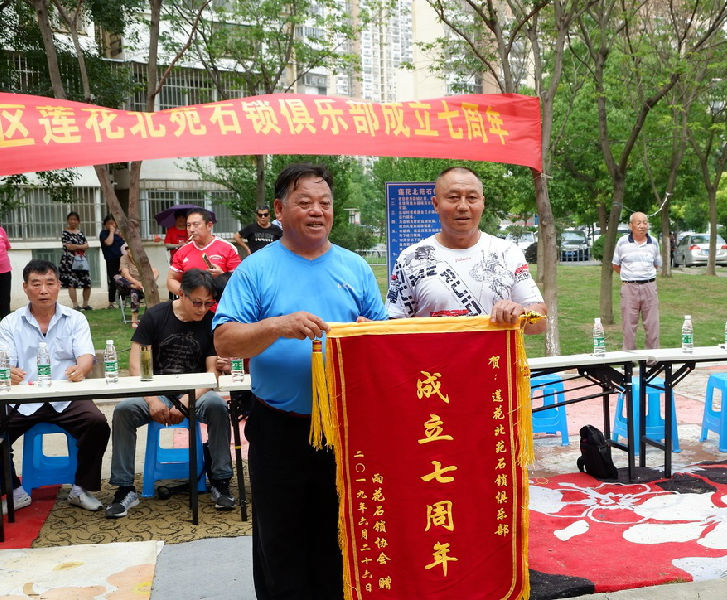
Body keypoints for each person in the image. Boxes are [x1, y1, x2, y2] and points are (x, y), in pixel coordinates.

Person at [213, 163, 387, 598]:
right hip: (278, 426)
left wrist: (371, 334)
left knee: (341, 536)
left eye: (324, 203)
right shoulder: (255, 270)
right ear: (278, 209)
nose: (317, 211)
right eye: (304, 202)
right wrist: (276, 326)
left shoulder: (355, 267)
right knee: (281, 540)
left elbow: (385, 340)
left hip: (345, 428)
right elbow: (225, 339)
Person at [106, 269, 235, 518]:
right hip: (156, 390)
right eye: (197, 302)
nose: (202, 309)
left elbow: (212, 373)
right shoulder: (156, 316)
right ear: (181, 294)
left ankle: (221, 481)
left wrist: (187, 400)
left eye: (208, 303)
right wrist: (152, 399)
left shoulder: (211, 321)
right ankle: (124, 488)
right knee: (123, 411)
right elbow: (135, 365)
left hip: (195, 393)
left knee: (218, 406)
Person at [0, 259, 110, 515]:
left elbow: (86, 355)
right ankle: (14, 492)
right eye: (36, 284)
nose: (43, 290)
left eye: (49, 283)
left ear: (59, 285)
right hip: (24, 398)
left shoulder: (75, 318)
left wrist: (81, 369)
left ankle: (81, 488)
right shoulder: (10, 323)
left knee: (97, 423)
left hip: (66, 396)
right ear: (25, 288)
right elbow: (4, 361)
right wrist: (8, 372)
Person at [386, 166, 547, 334]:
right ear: (436, 204)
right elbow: (393, 327)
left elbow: (540, 322)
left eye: (471, 198)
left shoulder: (507, 253)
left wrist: (522, 313)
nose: (463, 206)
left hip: (496, 353)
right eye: (453, 197)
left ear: (482, 203)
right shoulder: (410, 259)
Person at [612, 211, 661, 350]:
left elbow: (656, 264)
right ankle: (629, 358)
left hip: (649, 287)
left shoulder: (654, 242)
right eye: (638, 223)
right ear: (630, 226)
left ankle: (652, 358)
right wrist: (630, 276)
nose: (642, 226)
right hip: (629, 288)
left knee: (652, 325)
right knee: (628, 326)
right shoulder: (622, 242)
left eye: (645, 223)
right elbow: (615, 265)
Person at [167, 208, 240, 297]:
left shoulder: (228, 248)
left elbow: (240, 281)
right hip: (191, 305)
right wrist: (186, 294)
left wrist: (222, 276)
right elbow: (171, 279)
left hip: (219, 303)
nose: (191, 229)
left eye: (196, 225)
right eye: (188, 225)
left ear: (209, 226)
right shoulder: (182, 251)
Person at [115, 245, 158, 328]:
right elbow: (126, 275)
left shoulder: (141, 258)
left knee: (136, 291)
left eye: (131, 248)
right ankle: (134, 320)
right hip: (128, 285)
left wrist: (148, 282)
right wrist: (136, 284)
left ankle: (141, 319)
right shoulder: (124, 258)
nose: (130, 250)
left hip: (142, 286)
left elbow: (155, 271)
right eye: (127, 249)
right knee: (117, 278)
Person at [59, 211, 92, 310]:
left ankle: (85, 304)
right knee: (71, 283)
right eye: (71, 219)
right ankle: (75, 305)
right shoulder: (65, 233)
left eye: (75, 219)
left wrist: (76, 246)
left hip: (82, 261)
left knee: (87, 282)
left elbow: (87, 245)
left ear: (78, 221)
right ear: (68, 221)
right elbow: (69, 246)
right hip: (69, 262)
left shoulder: (80, 233)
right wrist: (81, 246)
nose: (73, 221)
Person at [99, 214, 125, 310]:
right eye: (108, 223)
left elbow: (124, 246)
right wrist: (112, 232)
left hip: (121, 260)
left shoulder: (118, 234)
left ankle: (123, 301)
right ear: (105, 224)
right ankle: (111, 302)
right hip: (111, 260)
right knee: (113, 281)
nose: (111, 225)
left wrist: (120, 235)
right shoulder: (104, 233)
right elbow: (108, 242)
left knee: (123, 280)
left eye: (112, 223)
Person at [0, 210, 12, 325]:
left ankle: (6, 326)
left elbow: (7, 246)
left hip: (4, 271)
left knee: (5, 300)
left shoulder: (0, 230)